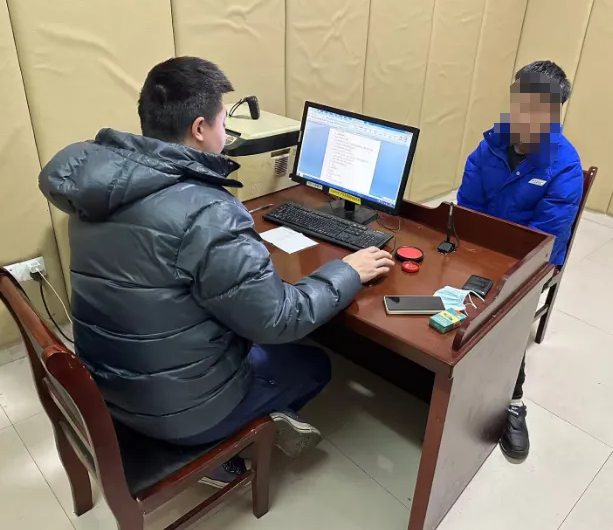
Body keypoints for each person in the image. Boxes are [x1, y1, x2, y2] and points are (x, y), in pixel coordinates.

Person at [39, 56, 394, 487]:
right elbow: (279, 321)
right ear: (200, 128)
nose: (226, 131)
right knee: (314, 363)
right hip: (181, 414)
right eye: (225, 121)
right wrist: (347, 271)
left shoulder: (99, 188)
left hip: (111, 385)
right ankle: (226, 448)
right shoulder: (207, 212)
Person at [457, 60, 583, 462]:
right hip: (484, 249)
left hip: (534, 263)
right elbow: (468, 208)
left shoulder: (565, 165)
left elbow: (541, 242)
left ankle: (513, 401)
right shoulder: (490, 145)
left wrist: (495, 273)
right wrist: (468, 255)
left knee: (504, 312)